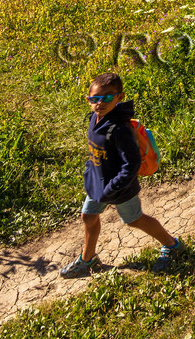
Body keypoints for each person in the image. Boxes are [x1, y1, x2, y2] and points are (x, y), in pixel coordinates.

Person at [60, 72, 182, 278]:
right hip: (98, 183)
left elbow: (131, 165)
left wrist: (112, 188)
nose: (100, 103)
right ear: (88, 100)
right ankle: (88, 260)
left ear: (119, 97)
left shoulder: (120, 128)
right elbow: (96, 150)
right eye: (94, 99)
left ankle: (172, 245)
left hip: (120, 189)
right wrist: (90, 171)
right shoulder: (94, 119)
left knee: (134, 220)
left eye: (107, 97)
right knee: (88, 216)